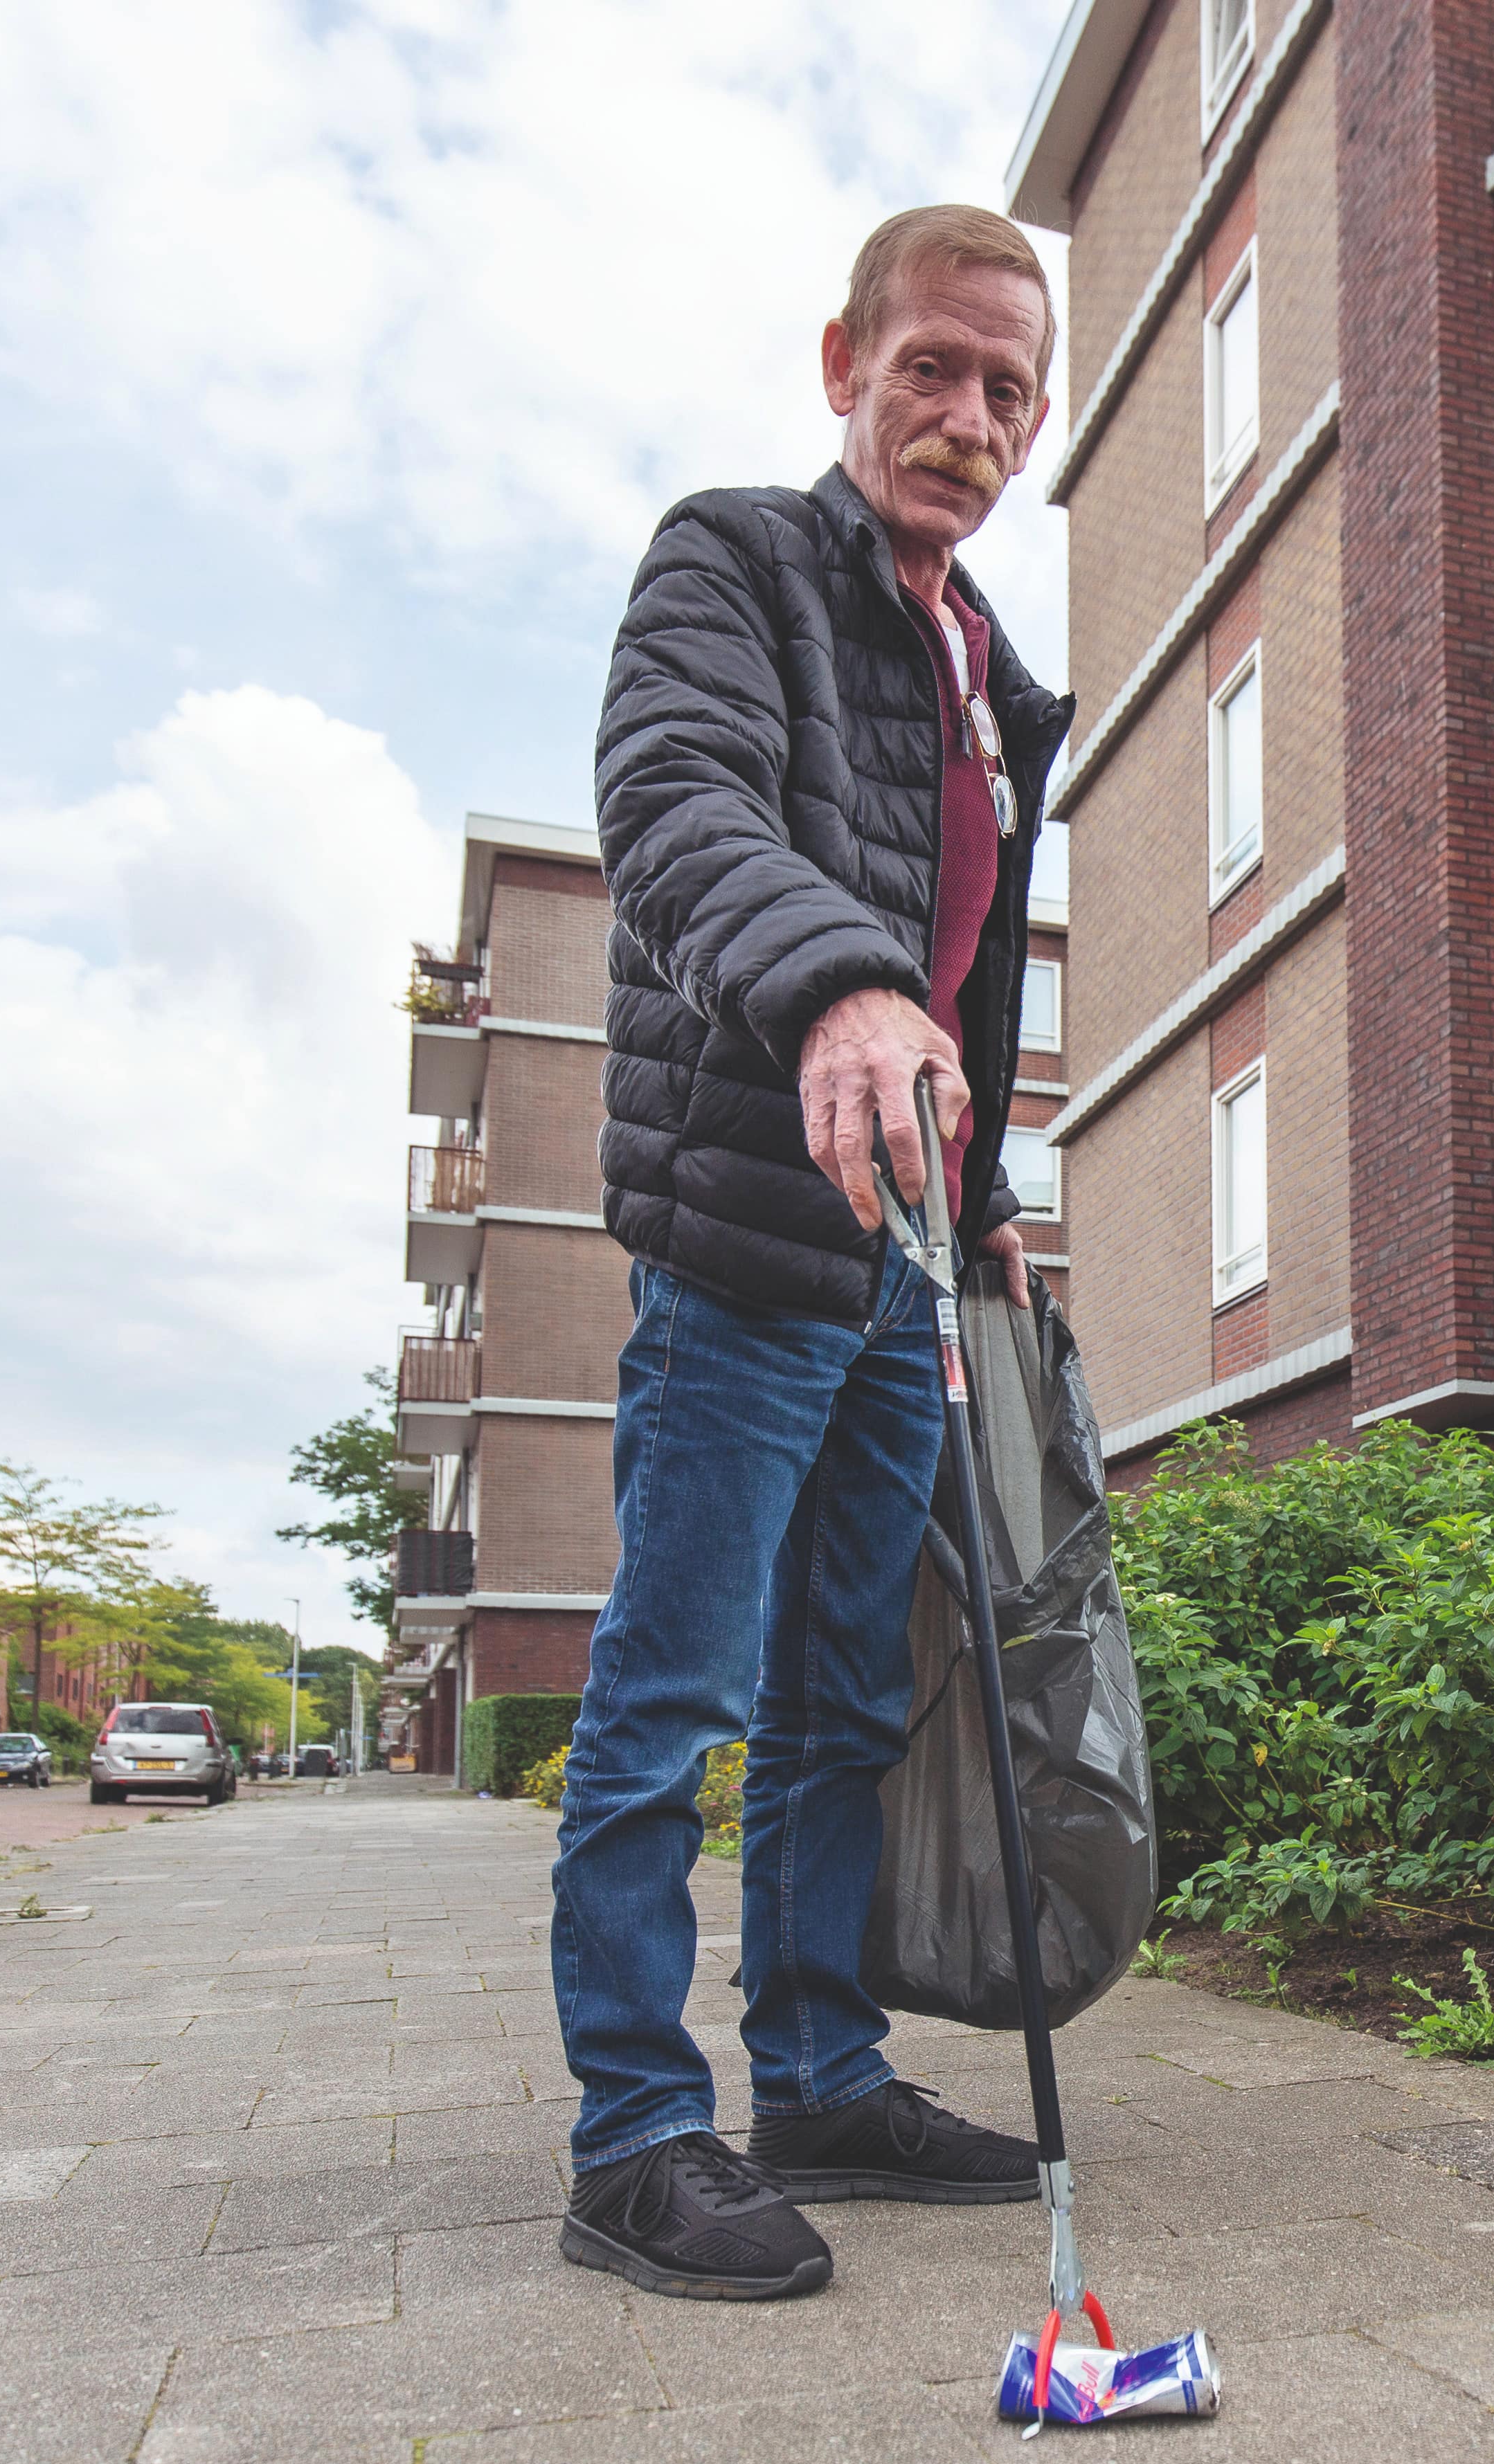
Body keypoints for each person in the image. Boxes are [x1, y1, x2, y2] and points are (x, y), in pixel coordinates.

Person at [551, 205, 1075, 2301]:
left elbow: (975, 982)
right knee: (669, 1698)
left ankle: (820, 2077)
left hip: (908, 1260)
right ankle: (633, 2134)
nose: (963, 419)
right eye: (931, 369)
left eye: (1005, 391)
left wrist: (1001, 1195)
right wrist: (839, 989)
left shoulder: (985, 679)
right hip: (748, 1232)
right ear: (843, 360)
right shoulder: (734, 562)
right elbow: (673, 804)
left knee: (848, 1692)